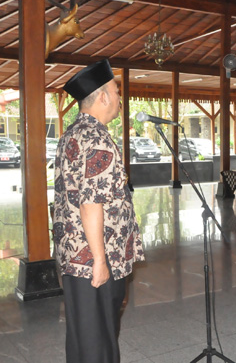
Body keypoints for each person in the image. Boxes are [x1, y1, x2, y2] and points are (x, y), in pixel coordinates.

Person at [56, 59, 145, 363]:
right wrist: (100, 261)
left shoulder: (72, 133)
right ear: (104, 96)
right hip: (93, 258)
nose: (120, 98)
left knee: (83, 336)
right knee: (100, 341)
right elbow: (91, 203)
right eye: (117, 91)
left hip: (73, 256)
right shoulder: (98, 139)